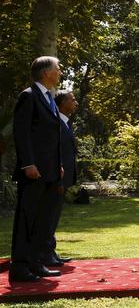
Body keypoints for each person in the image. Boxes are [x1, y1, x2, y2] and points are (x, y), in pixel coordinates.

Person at [10, 56, 64, 282]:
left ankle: (36, 263)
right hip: (33, 171)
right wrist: (28, 163)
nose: (60, 71)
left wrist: (58, 164)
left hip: (50, 172)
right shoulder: (28, 96)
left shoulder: (49, 98)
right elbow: (22, 133)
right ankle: (20, 267)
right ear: (46, 72)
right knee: (27, 219)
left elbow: (51, 137)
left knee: (42, 220)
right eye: (57, 68)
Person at [38, 90, 79, 267]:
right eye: (72, 99)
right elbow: (55, 152)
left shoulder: (66, 123)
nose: (76, 103)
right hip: (56, 177)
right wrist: (59, 179)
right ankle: (45, 254)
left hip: (63, 177)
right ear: (62, 103)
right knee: (49, 216)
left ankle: (50, 252)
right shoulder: (56, 124)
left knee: (54, 216)